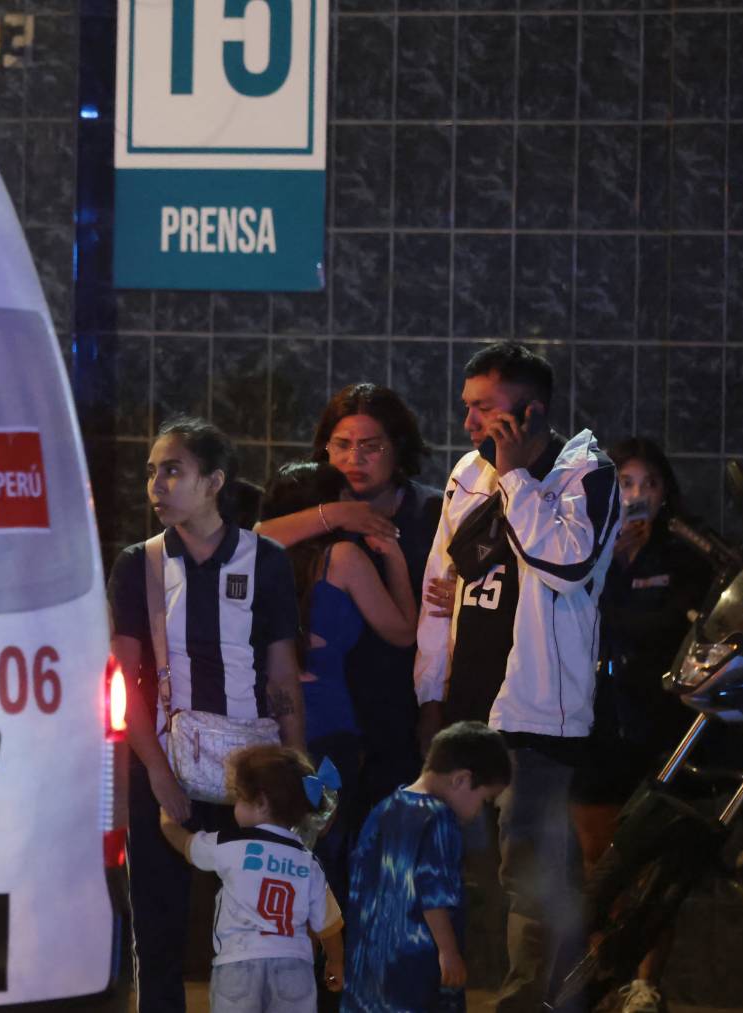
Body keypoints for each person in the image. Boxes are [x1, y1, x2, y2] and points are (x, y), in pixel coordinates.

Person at [413, 342, 620, 1013]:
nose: (470, 422)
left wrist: (514, 478)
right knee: (506, 862)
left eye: (485, 408)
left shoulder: (583, 473)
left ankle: (529, 1000)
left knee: (529, 863)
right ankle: (564, 991)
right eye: (467, 405)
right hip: (473, 702)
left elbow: (564, 562)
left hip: (538, 711)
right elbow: (442, 581)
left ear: (530, 411)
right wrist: (430, 690)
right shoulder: (470, 471)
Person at [109, 416, 308, 1013]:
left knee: (261, 931)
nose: (157, 485)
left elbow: (281, 675)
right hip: (163, 764)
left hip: (253, 770)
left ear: (214, 481)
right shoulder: (137, 564)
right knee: (159, 927)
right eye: (152, 472)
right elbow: (124, 681)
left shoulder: (265, 559)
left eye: (173, 470)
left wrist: (299, 769)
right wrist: (159, 775)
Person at [257, 384, 442, 831]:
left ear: (397, 449)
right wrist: (338, 515)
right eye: (341, 444)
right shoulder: (312, 512)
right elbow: (255, 539)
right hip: (320, 708)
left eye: (370, 446)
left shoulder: (431, 511)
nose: (354, 458)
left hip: (397, 700)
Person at [570, 438, 709, 1013]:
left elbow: (674, 621)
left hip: (659, 721)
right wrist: (608, 562)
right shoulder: (582, 545)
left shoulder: (681, 555)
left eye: (650, 483)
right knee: (599, 859)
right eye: (627, 483)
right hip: (595, 719)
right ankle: (603, 972)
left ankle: (646, 983)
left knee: (653, 862)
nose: (638, 496)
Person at [258, 461, 417, 900]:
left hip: (266, 725)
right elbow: (403, 631)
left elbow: (253, 534)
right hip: (329, 727)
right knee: (325, 853)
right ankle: (328, 959)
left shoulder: (258, 560)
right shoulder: (342, 558)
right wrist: (395, 559)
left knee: (270, 851)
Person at [159, 745, 344, 1013]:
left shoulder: (231, 845)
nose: (235, 806)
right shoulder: (308, 861)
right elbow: (329, 925)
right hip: (294, 969)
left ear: (261, 803)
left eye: (239, 799)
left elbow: (187, 846)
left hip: (239, 966)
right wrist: (335, 962)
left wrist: (166, 821)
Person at [345, 721, 513, 1013]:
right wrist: (448, 952)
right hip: (417, 965)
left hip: (370, 964)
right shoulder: (439, 819)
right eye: (484, 799)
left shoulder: (384, 808)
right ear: (461, 779)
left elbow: (359, 879)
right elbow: (432, 891)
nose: (478, 813)